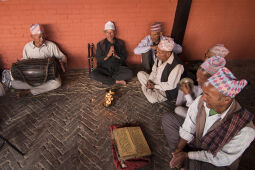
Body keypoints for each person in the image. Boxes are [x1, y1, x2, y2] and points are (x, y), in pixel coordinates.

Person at [162, 67, 255, 170]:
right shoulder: (202, 101)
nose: (202, 98)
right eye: (204, 92)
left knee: (194, 165)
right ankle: (180, 160)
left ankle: (185, 162)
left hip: (216, 161)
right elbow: (189, 125)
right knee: (168, 119)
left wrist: (187, 155)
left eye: (207, 95)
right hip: (198, 143)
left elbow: (221, 159)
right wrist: (178, 150)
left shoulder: (245, 130)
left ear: (226, 99)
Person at [11, 24, 67, 96]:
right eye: (39, 37)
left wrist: (62, 61)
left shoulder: (51, 45)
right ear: (32, 37)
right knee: (14, 84)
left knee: (57, 83)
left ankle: (30, 91)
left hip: (48, 77)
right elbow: (24, 61)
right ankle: (42, 87)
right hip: (32, 77)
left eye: (43, 36)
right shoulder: (27, 47)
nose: (42, 39)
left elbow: (62, 56)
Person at [137, 37, 184, 103]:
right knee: (140, 74)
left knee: (152, 99)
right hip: (155, 82)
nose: (157, 54)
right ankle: (149, 89)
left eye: (159, 52)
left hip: (165, 90)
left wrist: (155, 86)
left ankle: (147, 89)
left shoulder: (177, 66)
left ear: (168, 53)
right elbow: (154, 71)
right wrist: (150, 80)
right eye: (157, 51)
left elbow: (170, 86)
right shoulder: (160, 57)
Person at [90, 21, 133, 85]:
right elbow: (99, 58)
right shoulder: (100, 44)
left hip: (118, 68)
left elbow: (125, 57)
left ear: (114, 32)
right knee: (93, 74)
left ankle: (106, 80)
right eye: (107, 32)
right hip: (104, 68)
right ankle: (117, 81)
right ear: (105, 33)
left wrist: (116, 55)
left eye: (111, 32)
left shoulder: (120, 43)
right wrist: (108, 55)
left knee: (130, 73)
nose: (109, 34)